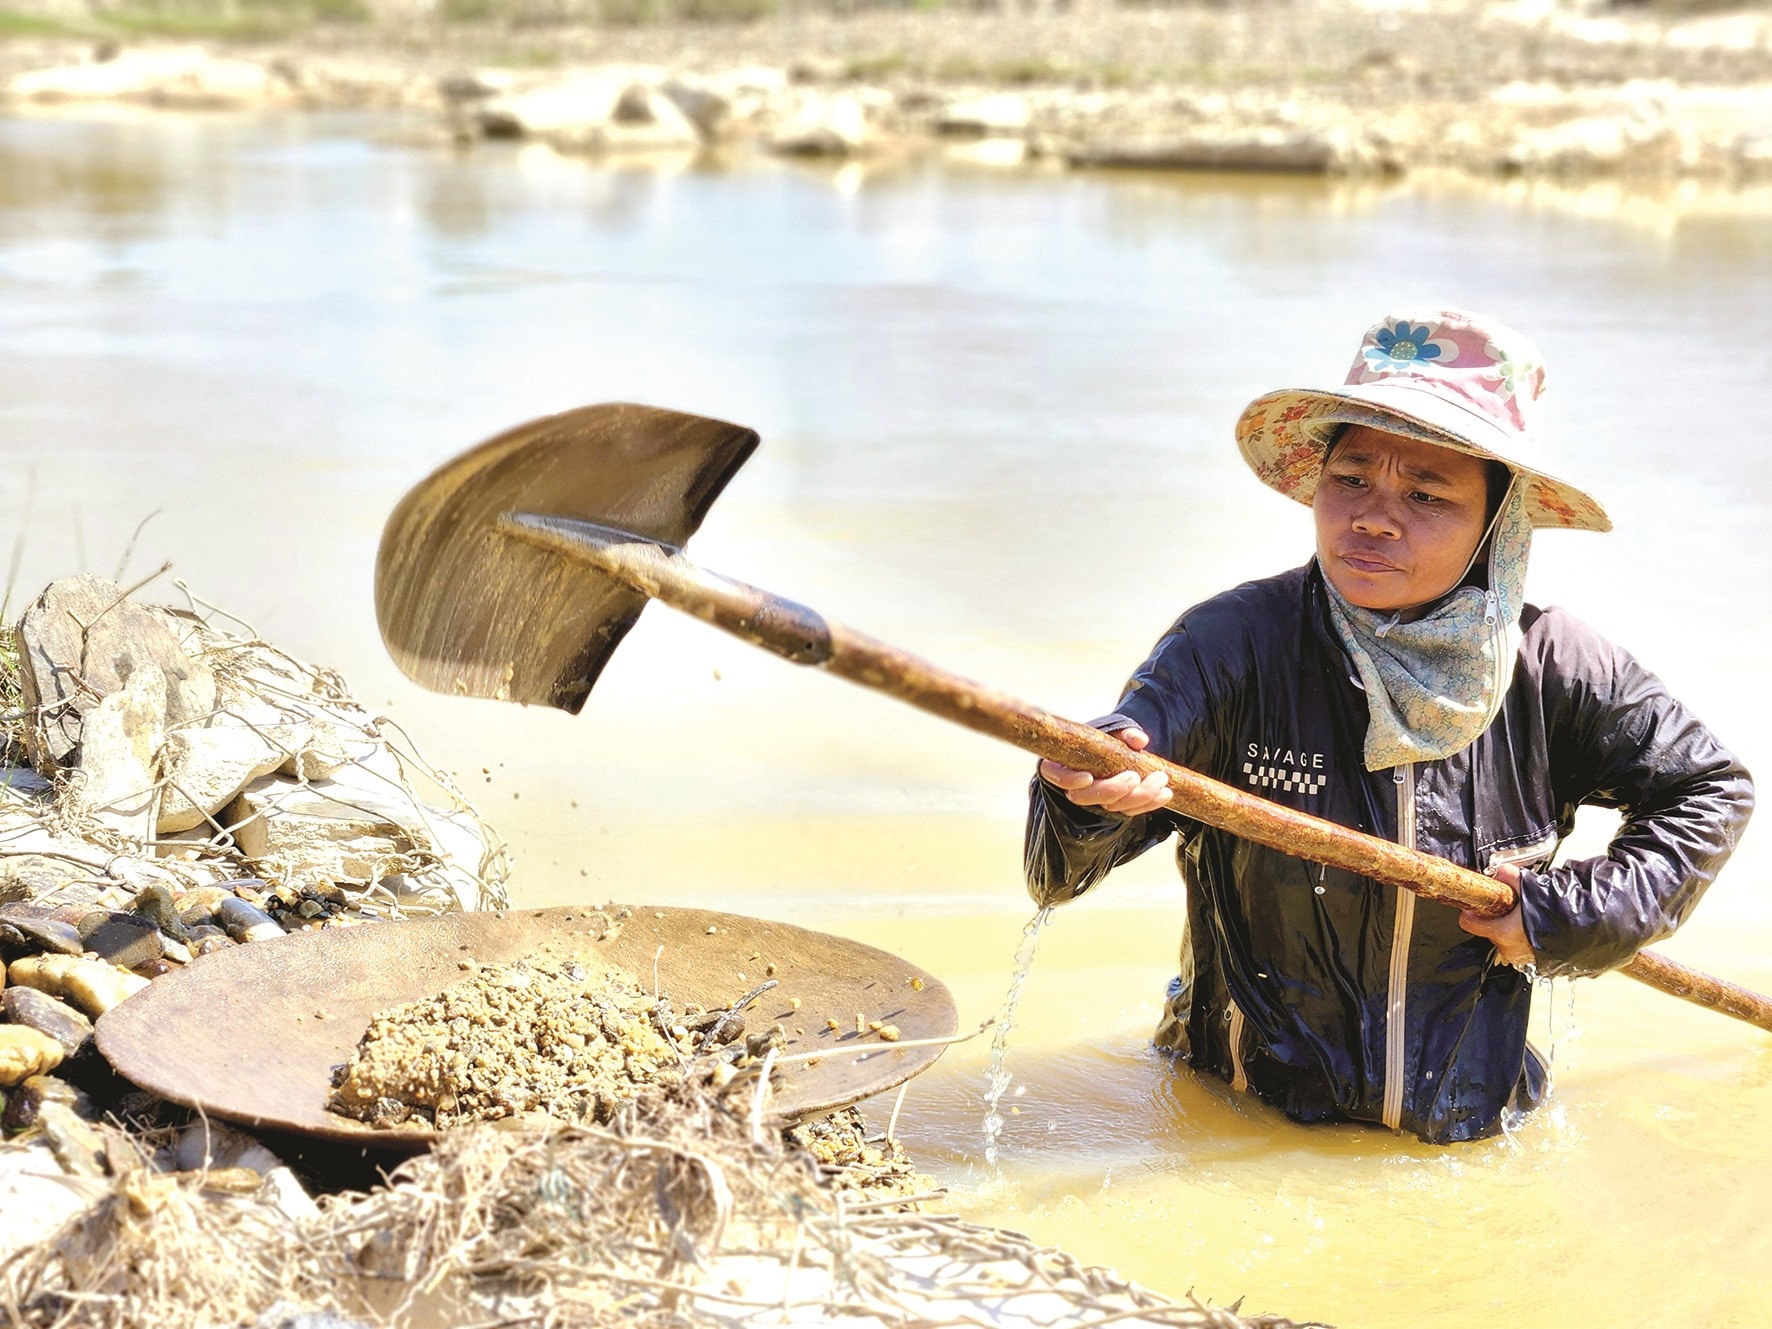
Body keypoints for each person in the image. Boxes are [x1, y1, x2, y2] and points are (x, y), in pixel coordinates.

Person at [1024, 308, 1754, 1144]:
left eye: (1426, 494)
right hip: (1235, 1112)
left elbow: (1711, 788)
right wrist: (1086, 794)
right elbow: (1057, 873)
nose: (1373, 516)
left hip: (1472, 1124)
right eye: (1352, 479)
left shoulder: (1554, 668)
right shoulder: (1232, 645)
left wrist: (1570, 914)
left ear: (1497, 523)